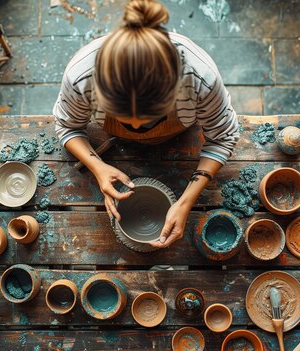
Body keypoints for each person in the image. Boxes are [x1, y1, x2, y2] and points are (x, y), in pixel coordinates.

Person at [53, 0, 239, 248]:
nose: (138, 130)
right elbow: (68, 127)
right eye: (125, 120)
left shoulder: (200, 78)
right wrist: (98, 167)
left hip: (181, 138)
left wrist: (185, 203)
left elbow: (223, 137)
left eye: (150, 120)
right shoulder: (81, 76)